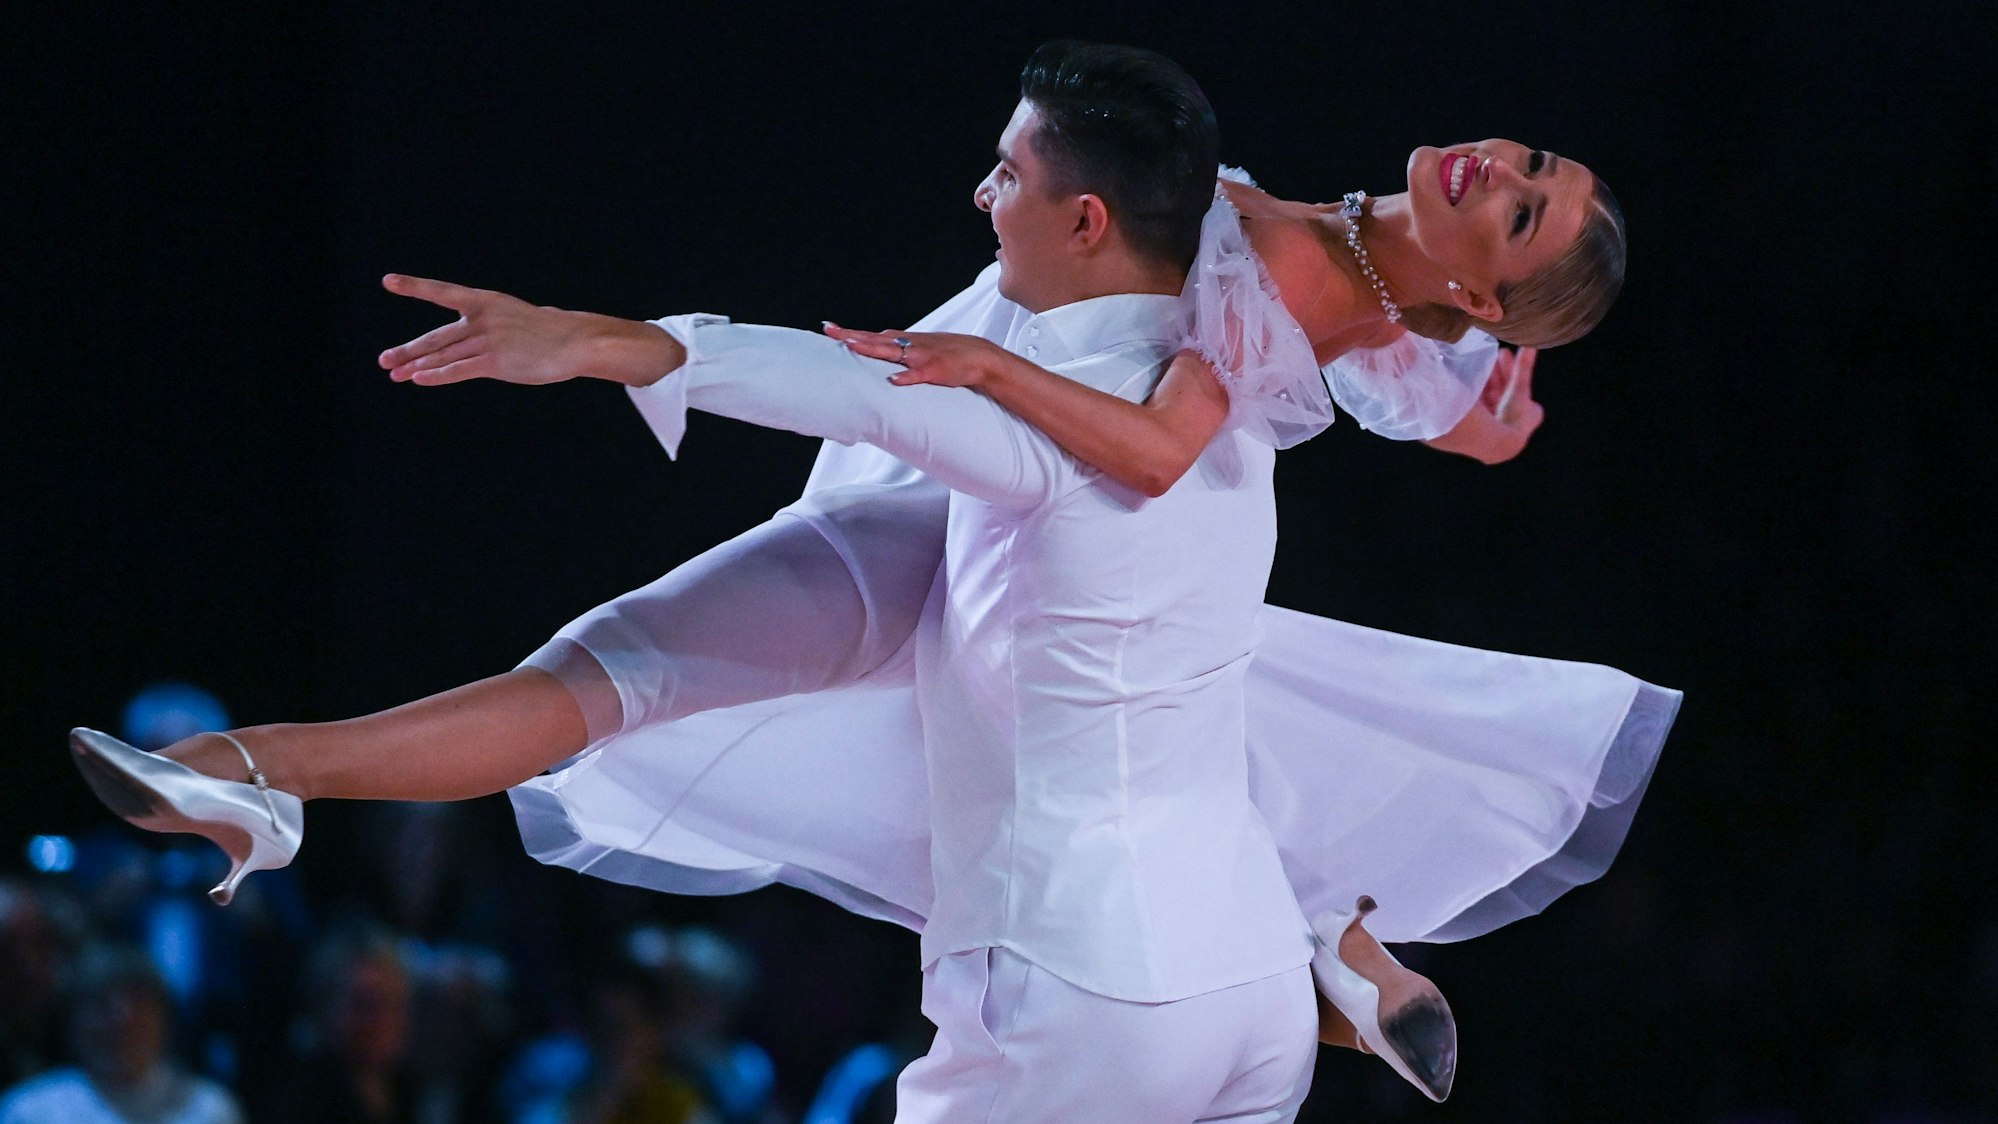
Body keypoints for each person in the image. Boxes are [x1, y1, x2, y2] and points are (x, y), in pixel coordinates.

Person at [70, 40, 1674, 1109]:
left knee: (1068, 712)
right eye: (1527, 159)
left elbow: (1156, 446)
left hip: (998, 482)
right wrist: (1484, 430)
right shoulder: (1378, 280)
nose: (1493, 166)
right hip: (979, 502)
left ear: (1484, 290)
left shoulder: (1303, 298)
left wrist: (976, 376)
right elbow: (1417, 391)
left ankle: (1324, 939)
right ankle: (253, 775)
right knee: (622, 671)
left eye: (1519, 210)